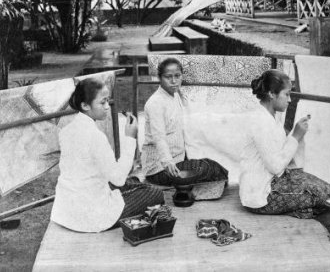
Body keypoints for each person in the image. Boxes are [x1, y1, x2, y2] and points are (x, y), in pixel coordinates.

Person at [51, 78, 164, 232]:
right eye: (102, 102)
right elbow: (118, 180)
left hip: (67, 210)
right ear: (85, 105)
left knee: (132, 183)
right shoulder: (95, 136)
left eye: (108, 101)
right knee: (155, 193)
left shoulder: (66, 131)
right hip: (92, 216)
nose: (107, 107)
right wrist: (130, 138)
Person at [239, 69, 330, 218]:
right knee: (320, 194)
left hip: (274, 181)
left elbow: (280, 152)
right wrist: (295, 137)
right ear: (271, 94)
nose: (289, 100)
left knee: (325, 188)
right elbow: (275, 166)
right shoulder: (260, 121)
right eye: (286, 94)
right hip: (259, 194)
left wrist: (297, 134)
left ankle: (301, 211)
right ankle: (300, 211)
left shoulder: (271, 116)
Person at [143, 57, 228, 186]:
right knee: (206, 168)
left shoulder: (175, 94)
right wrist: (167, 162)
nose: (174, 81)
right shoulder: (155, 103)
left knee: (214, 165)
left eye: (177, 76)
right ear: (159, 78)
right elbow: (158, 137)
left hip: (178, 158)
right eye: (168, 77)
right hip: (159, 169)